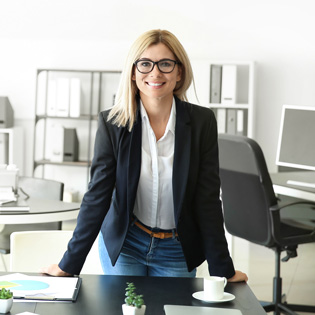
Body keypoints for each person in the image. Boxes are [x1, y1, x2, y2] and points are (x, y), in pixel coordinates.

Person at [42, 29, 248, 282]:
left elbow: (207, 199)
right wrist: (69, 264)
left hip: (177, 248)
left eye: (165, 64)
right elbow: (97, 195)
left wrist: (222, 270)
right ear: (132, 71)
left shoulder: (201, 122)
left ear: (179, 71)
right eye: (145, 64)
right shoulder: (113, 123)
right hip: (127, 244)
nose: (155, 72)